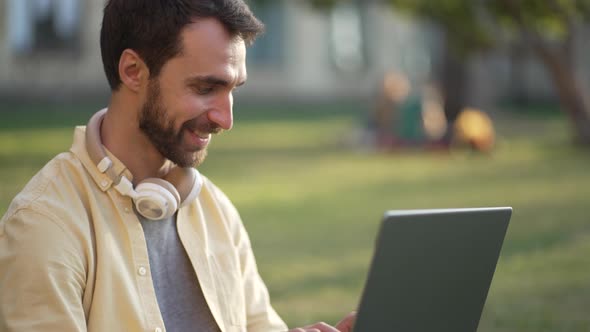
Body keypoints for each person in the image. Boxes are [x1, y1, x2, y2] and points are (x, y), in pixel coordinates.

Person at [0, 1, 356, 331]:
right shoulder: (44, 225)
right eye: (205, 88)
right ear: (133, 71)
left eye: (233, 89)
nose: (226, 118)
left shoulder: (215, 210)